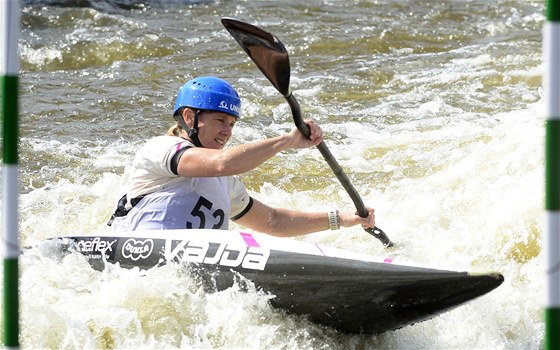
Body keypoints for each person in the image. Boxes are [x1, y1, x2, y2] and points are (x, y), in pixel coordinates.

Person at [108, 76, 375, 236]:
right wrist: (287, 140)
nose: (227, 132)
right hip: (136, 258)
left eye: (232, 124)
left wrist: (341, 219)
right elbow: (223, 163)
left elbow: (273, 222)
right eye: (220, 120)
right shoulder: (160, 149)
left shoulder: (226, 184)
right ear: (190, 117)